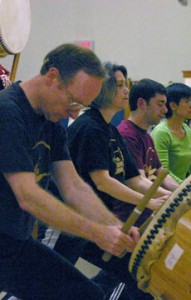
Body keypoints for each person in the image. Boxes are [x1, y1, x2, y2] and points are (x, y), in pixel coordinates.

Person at [0, 44, 141, 300]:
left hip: (13, 242)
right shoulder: (7, 112)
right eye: (74, 101)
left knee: (88, 295)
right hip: (6, 242)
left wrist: (114, 226)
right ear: (52, 77)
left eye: (83, 106)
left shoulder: (50, 121)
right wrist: (98, 233)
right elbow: (28, 195)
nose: (75, 112)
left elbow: (73, 186)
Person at [43, 63, 171, 300]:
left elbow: (135, 179)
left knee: (131, 270)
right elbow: (103, 182)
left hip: (93, 221)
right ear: (102, 88)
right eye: (120, 85)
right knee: (42, 283)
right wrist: (149, 201)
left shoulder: (110, 130)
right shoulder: (90, 127)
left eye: (126, 84)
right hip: (63, 218)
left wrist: (167, 198)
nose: (126, 90)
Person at [117, 78, 179, 191]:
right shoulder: (127, 135)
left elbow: (161, 176)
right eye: (160, 104)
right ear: (141, 103)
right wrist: (175, 198)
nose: (165, 110)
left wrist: (183, 192)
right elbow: (139, 183)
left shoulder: (146, 136)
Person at [151, 83, 191, 184]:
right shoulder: (161, 133)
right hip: (165, 191)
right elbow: (162, 172)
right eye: (188, 101)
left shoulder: (187, 129)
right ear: (173, 105)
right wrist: (185, 188)